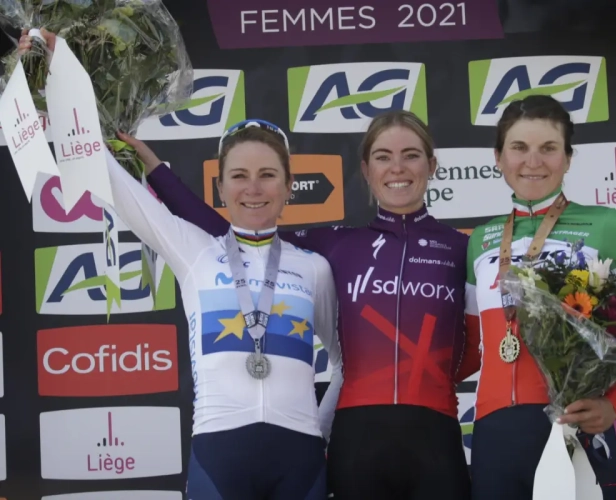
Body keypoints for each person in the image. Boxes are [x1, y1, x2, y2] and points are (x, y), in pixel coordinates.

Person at [22, 29, 344, 500]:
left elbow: (342, 361)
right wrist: (58, 75)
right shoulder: (194, 250)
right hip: (218, 454)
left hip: (301, 459)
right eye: (239, 176)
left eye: (267, 175)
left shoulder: (314, 268)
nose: (253, 188)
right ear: (220, 187)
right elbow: (109, 179)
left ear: (288, 186)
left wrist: (319, 429)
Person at [124, 110, 476, 499]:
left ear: (432, 165)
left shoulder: (465, 248)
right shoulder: (336, 245)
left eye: (410, 155)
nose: (397, 167)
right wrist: (156, 171)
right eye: (382, 156)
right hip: (358, 445)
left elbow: (482, 344)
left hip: (434, 438)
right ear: (365, 169)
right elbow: (235, 233)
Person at [462, 95, 616, 500]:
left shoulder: (606, 225)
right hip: (494, 434)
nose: (533, 161)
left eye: (548, 148)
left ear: (567, 159)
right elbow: (469, 347)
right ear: (498, 158)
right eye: (519, 147)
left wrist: (614, 405)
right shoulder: (480, 239)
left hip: (576, 423)